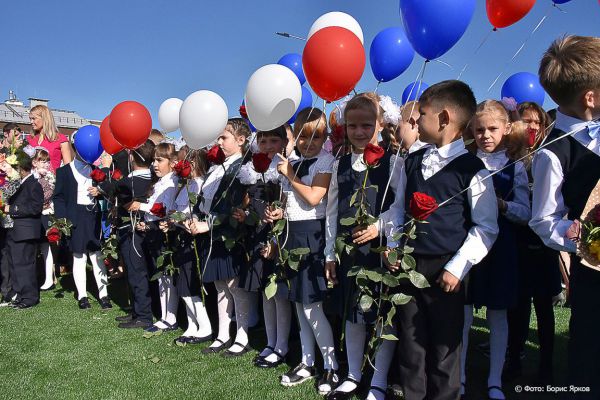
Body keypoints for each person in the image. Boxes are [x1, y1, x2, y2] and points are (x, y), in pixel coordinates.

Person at [387, 80, 499, 400]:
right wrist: (393, 247)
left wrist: (458, 266)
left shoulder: (473, 170)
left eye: (421, 114)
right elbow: (397, 209)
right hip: (408, 266)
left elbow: (486, 227)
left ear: (445, 119)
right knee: (410, 342)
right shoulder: (411, 162)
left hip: (445, 271)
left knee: (444, 348)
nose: (415, 122)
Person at [530, 35, 600, 397]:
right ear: (591, 97)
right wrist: (579, 235)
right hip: (593, 274)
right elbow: (543, 219)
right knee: (590, 354)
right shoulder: (553, 153)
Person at [324, 92, 405, 400]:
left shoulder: (393, 162)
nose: (359, 132)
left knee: (382, 316)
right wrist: (330, 252)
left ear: (381, 124)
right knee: (354, 315)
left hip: (379, 251)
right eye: (352, 126)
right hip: (349, 252)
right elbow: (332, 211)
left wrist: (379, 227)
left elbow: (398, 206)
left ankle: (379, 380)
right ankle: (353, 374)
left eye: (366, 125)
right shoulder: (339, 164)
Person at [264, 108, 339, 395]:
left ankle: (330, 364)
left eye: (317, 136)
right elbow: (290, 204)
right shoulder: (292, 161)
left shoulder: (326, 162)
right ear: (295, 136)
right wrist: (277, 213)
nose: (309, 143)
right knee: (297, 302)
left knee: (312, 305)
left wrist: (292, 175)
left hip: (313, 235)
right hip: (291, 236)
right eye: (304, 136)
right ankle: (307, 361)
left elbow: (312, 197)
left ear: (325, 137)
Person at [461, 100, 531, 400]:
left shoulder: (514, 166)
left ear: (506, 128)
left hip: (502, 247)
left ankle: (494, 379)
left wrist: (501, 205)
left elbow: (525, 212)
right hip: (467, 244)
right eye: (479, 130)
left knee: (497, 314)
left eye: (492, 129)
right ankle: (459, 376)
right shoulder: (465, 162)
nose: (485, 135)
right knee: (462, 313)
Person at [505, 102, 561, 383]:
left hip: (544, 244)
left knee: (543, 305)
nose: (530, 126)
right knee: (518, 306)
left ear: (542, 125)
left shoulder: (549, 155)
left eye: (535, 122)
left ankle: (547, 365)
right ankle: (514, 359)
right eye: (524, 121)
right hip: (518, 241)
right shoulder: (512, 157)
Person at [190, 119, 253, 357]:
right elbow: (206, 200)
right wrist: (194, 218)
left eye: (224, 138)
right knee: (219, 286)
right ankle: (222, 334)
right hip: (211, 233)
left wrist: (209, 223)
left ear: (240, 140)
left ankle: (242, 335)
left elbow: (234, 206)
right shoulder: (218, 167)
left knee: (234, 286)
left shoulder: (243, 168)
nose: (219, 142)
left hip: (229, 233)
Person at [236, 126, 292, 368]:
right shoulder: (251, 171)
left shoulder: (288, 168)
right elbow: (251, 205)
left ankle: (283, 344)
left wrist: (281, 216)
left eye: (273, 140)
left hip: (281, 237)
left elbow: (295, 205)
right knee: (265, 292)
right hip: (259, 234)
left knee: (279, 294)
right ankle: (270, 341)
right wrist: (245, 214)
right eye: (263, 140)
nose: (267, 146)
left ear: (283, 142)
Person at [127, 142, 179, 332]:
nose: (155, 164)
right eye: (154, 160)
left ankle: (170, 317)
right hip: (154, 230)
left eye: (160, 160)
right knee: (161, 276)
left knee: (166, 275)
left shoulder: (172, 183)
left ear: (173, 163)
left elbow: (164, 209)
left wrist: (140, 207)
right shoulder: (160, 182)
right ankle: (165, 315)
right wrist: (146, 223)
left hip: (164, 231)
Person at [53, 141, 111, 310]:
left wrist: (99, 192)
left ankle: (104, 294)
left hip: (93, 215)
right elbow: (58, 197)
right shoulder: (64, 171)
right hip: (75, 216)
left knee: (97, 255)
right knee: (79, 256)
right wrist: (62, 219)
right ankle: (83, 295)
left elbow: (108, 191)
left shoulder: (96, 170)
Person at [107, 140, 156, 328]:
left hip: (132, 230)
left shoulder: (132, 180)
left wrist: (104, 170)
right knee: (133, 271)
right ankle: (137, 311)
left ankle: (143, 315)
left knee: (136, 273)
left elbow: (110, 189)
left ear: (132, 157)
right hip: (135, 229)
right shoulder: (149, 178)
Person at [168, 149, 212, 344]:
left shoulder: (202, 184)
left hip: (194, 239)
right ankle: (192, 325)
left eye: (189, 162)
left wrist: (186, 220)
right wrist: (172, 220)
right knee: (183, 284)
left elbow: (199, 212)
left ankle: (205, 327)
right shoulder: (187, 185)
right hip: (181, 235)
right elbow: (179, 210)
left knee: (190, 284)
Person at [4, 151, 43, 309]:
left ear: (20, 168)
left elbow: (35, 207)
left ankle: (29, 297)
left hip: (26, 231)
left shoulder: (34, 184)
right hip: (15, 230)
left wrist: (12, 208)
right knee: (15, 264)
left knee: (25, 265)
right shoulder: (19, 184)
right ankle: (20, 294)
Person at [32, 148, 57, 291]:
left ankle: (49, 279)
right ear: (35, 162)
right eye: (43, 161)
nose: (46, 164)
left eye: (47, 161)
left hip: (45, 213)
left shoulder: (50, 176)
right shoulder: (31, 175)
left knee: (46, 246)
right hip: (33, 213)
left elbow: (47, 195)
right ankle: (34, 276)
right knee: (33, 247)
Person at [27, 105, 72, 171]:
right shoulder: (29, 139)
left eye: (34, 119)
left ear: (44, 118)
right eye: (30, 119)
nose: (31, 122)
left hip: (52, 179)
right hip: (31, 180)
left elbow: (68, 168)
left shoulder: (61, 139)